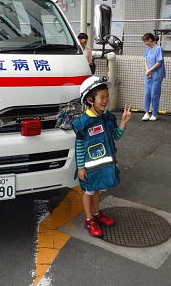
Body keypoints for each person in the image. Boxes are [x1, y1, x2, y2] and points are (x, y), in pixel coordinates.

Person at [72, 76, 132, 237]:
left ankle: (97, 214)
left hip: (103, 168)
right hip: (89, 169)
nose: (106, 100)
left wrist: (123, 123)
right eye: (102, 97)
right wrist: (80, 167)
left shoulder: (108, 118)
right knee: (89, 191)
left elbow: (115, 136)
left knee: (97, 191)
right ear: (91, 99)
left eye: (107, 96)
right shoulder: (83, 122)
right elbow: (78, 146)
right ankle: (89, 219)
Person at [141, 32, 166, 121]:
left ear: (150, 40)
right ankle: (146, 112)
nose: (145, 43)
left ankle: (154, 114)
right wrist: (147, 70)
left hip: (157, 75)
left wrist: (150, 70)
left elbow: (159, 62)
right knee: (147, 93)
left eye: (145, 41)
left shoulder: (159, 49)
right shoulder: (148, 49)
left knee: (154, 94)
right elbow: (145, 59)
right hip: (149, 75)